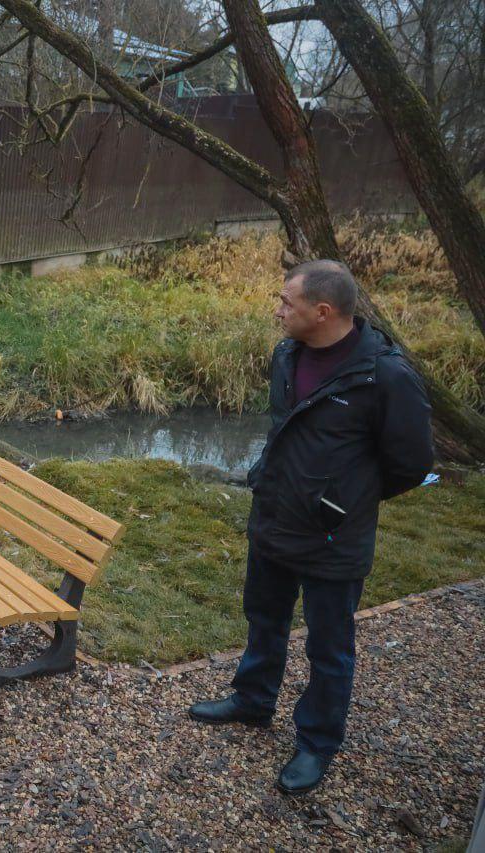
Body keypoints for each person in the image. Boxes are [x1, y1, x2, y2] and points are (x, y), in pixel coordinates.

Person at [189, 259, 433, 795]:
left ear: (323, 312)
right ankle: (253, 700)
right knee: (264, 617)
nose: (277, 311)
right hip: (275, 519)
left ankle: (318, 741)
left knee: (329, 647)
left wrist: (345, 501)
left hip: (333, 539)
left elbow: (412, 463)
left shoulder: (384, 376)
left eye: (286, 303)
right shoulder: (286, 354)